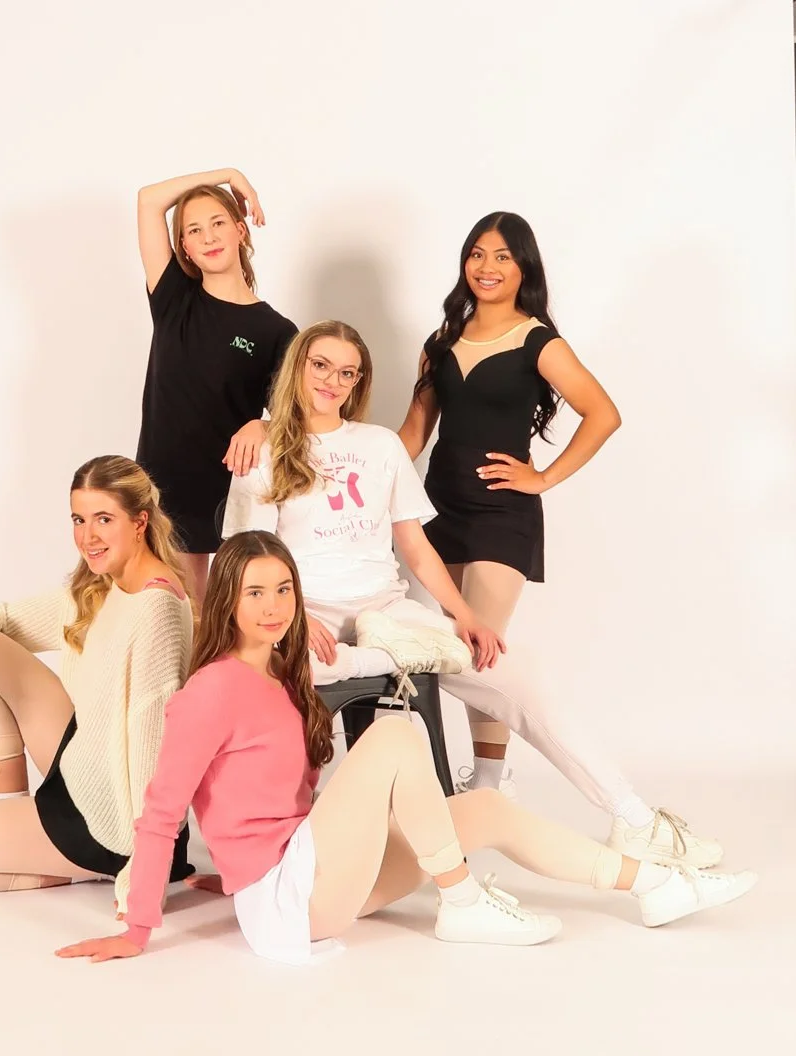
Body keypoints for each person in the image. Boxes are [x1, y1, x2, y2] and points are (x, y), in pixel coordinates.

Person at [55, 531, 755, 966]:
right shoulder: (211, 688)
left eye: (284, 590)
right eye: (254, 593)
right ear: (226, 602)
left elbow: (269, 801)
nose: (273, 606)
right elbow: (161, 811)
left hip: (313, 872)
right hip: (292, 901)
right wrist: (138, 928)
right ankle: (461, 899)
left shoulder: (285, 672)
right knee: (392, 732)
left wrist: (229, 874)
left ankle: (654, 885)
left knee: (481, 808)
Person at [219, 320, 722, 869]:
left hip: (385, 610)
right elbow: (251, 556)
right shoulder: (263, 448)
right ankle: (386, 660)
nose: (332, 381)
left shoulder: (380, 446)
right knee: (298, 672)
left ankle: (634, 819)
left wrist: (463, 615)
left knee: (516, 671)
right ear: (299, 366)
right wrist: (291, 621)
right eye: (321, 365)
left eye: (348, 372)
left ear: (359, 382)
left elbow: (414, 546)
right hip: (305, 613)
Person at [397, 211, 620, 804]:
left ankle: (490, 781)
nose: (487, 267)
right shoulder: (440, 343)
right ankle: (477, 777)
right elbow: (415, 433)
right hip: (439, 510)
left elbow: (603, 414)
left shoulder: (538, 341)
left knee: (480, 648)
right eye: (477, 253)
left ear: (523, 266)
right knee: (445, 651)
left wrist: (542, 477)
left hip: (503, 513)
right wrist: (352, 466)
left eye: (501, 256)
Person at [0, 455, 195, 911]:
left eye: (104, 519)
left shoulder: (155, 609)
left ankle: (87, 864)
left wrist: (146, 865)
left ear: (140, 521)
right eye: (79, 519)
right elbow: (5, 617)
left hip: (114, 817)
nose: (88, 536)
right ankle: (8, 808)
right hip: (85, 760)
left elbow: (153, 743)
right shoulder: (103, 585)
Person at [135, 166, 297, 602]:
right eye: (194, 230)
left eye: (219, 222)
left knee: (212, 620)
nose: (208, 237)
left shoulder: (276, 331)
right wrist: (229, 174)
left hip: (227, 492)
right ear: (183, 246)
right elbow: (149, 199)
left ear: (242, 230)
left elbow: (298, 420)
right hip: (160, 485)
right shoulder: (174, 299)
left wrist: (262, 426)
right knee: (166, 614)